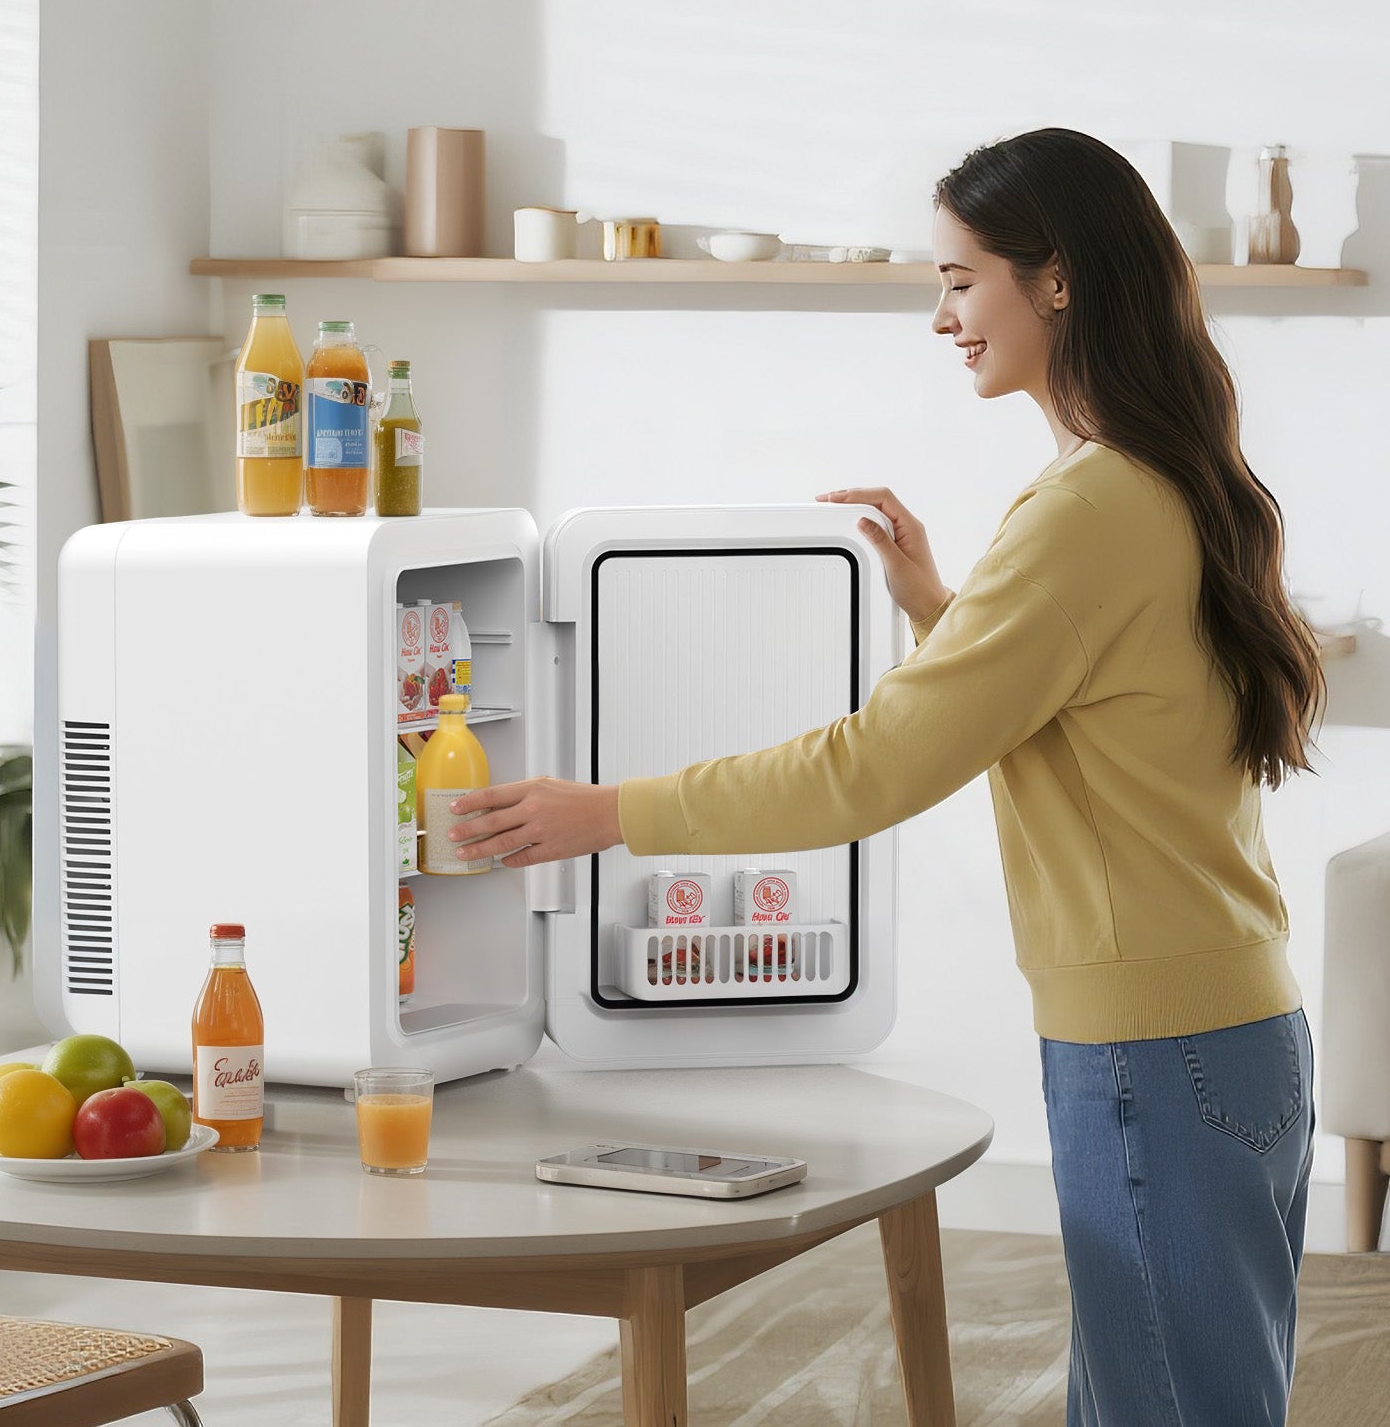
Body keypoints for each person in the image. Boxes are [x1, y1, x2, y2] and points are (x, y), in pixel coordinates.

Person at [449, 127, 1323, 1427]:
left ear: (1061, 279)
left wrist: (604, 813)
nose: (942, 317)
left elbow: (872, 769)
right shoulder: (1167, 482)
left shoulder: (1088, 508)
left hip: (1155, 1055)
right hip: (1237, 1036)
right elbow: (1114, 720)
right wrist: (948, 615)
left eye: (962, 280)